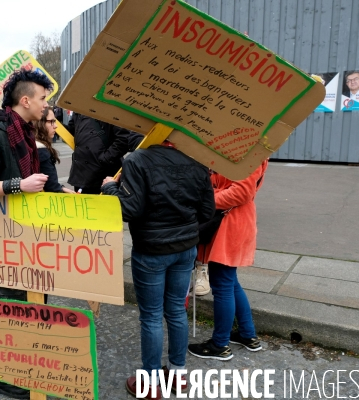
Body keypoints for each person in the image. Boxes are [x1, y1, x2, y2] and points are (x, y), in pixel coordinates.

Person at [101, 139, 215, 399]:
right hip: (185, 248)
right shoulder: (197, 161)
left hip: (151, 249)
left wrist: (109, 188)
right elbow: (208, 210)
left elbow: (128, 209)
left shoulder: (137, 159)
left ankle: (151, 383)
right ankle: (178, 374)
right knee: (176, 309)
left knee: (151, 315)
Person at [0, 69, 52, 399]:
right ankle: (2, 378)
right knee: (9, 305)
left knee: (34, 302)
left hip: (27, 237)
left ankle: (26, 365)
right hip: (4, 241)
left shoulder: (26, 135)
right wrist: (20, 185)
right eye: (43, 99)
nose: (47, 105)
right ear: (26, 100)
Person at [188, 161, 268, 361]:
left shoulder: (251, 153)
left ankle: (220, 344)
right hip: (227, 221)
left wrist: (205, 200)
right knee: (230, 282)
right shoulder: (242, 149)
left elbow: (241, 193)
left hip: (231, 223)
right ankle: (247, 335)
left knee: (223, 283)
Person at [66, 113, 130, 194]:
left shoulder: (111, 107)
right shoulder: (79, 108)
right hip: (82, 173)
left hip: (103, 175)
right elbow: (72, 130)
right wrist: (55, 123)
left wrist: (105, 158)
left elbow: (124, 139)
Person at [35, 107, 74, 193]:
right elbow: (51, 186)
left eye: (55, 121)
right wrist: (61, 189)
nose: (55, 126)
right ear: (40, 123)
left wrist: (61, 188)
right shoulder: (41, 150)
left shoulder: (33, 145)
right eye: (51, 122)